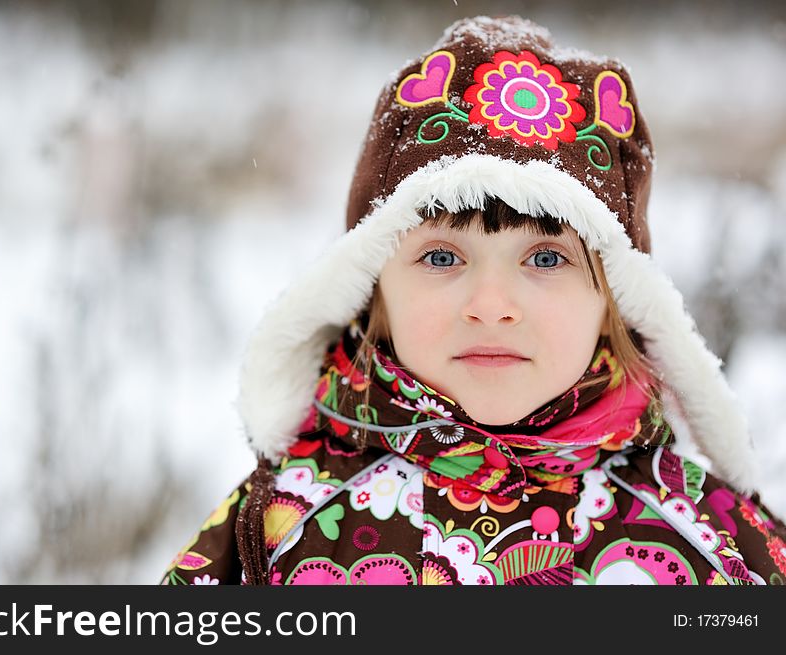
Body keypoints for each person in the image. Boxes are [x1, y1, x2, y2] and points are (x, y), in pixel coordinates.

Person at [161, 15, 786, 585]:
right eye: (441, 257)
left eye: (545, 258)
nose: (491, 305)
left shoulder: (708, 541)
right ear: (371, 285)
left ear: (619, 301)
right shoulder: (280, 526)